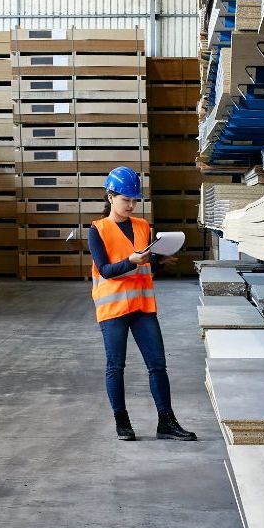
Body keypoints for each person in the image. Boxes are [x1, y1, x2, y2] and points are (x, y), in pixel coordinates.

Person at [88, 166, 196, 442]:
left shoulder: (143, 226)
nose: (131, 205)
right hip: (113, 311)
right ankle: (122, 422)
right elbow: (105, 270)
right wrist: (132, 262)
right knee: (116, 366)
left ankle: (166, 422)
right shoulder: (97, 230)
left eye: (135, 200)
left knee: (157, 365)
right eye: (126, 199)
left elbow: (146, 263)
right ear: (110, 197)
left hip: (142, 308)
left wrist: (160, 260)